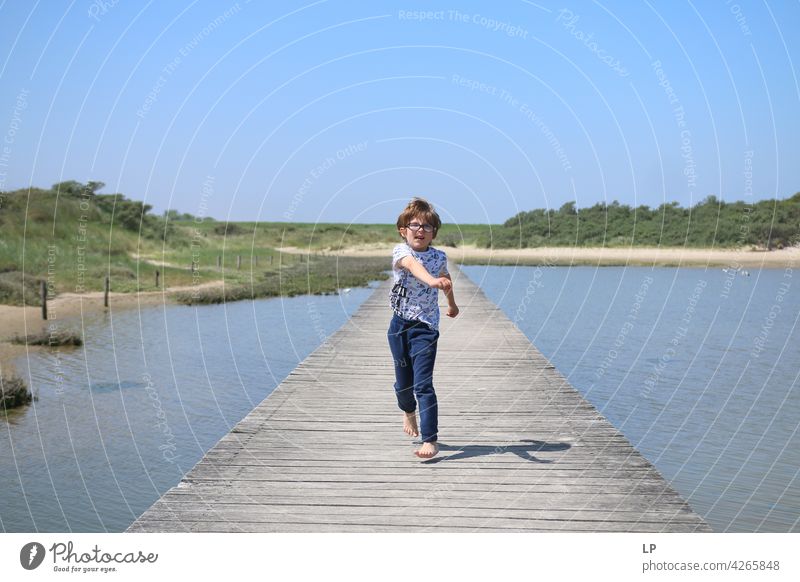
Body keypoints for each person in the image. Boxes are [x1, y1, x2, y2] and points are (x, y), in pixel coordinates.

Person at [387, 198, 459, 459]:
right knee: (403, 386)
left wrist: (451, 303)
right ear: (403, 230)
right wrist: (431, 281)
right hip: (399, 326)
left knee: (423, 385)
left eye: (427, 226)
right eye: (414, 225)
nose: (420, 230)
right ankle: (408, 412)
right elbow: (413, 267)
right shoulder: (401, 252)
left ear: (434, 233)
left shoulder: (439, 256)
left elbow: (446, 279)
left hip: (426, 328)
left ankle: (430, 439)